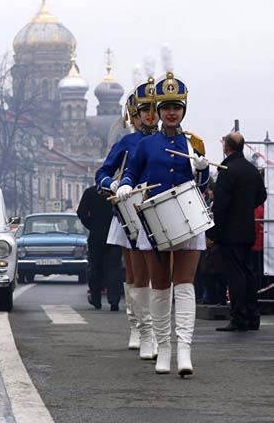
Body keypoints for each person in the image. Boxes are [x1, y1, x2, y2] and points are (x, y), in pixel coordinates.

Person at [117, 48, 210, 376]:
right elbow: (132, 172)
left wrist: (201, 169)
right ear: (158, 110)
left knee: (184, 285)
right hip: (154, 221)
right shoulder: (145, 144)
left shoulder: (193, 142)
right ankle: (163, 349)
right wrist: (125, 186)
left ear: (183, 110)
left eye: (176, 108)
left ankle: (184, 349)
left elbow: (203, 180)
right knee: (160, 286)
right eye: (166, 108)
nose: (171, 113)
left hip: (186, 219)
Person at [95, 63, 159, 358]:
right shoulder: (127, 141)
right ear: (132, 117)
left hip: (160, 208)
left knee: (160, 272)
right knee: (136, 272)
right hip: (131, 209)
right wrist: (114, 183)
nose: (148, 116)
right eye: (141, 112)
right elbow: (103, 173)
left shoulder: (171, 139)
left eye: (152, 110)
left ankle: (157, 328)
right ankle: (138, 325)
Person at [213, 132, 267, 332]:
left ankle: (238, 317)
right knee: (249, 273)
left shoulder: (227, 169)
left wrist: (215, 231)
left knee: (235, 275)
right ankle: (253, 316)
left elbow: (220, 204)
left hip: (230, 231)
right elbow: (261, 196)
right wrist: (245, 208)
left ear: (227, 147)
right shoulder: (251, 170)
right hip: (247, 229)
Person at [77, 184, 122, 311]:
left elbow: (81, 212)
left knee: (95, 267)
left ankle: (96, 299)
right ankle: (114, 301)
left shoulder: (90, 192)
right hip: (115, 235)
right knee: (114, 267)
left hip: (96, 235)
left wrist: (91, 225)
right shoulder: (116, 192)